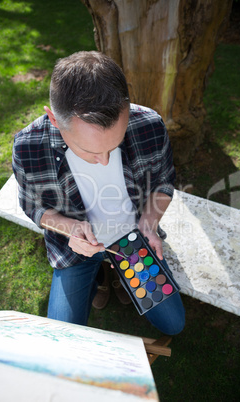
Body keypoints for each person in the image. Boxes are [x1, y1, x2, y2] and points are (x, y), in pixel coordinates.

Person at [12, 51, 185, 335]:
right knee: (65, 338)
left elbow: (163, 183)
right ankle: (103, 273)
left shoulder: (149, 124)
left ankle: (116, 269)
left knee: (174, 325)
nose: (105, 160)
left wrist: (150, 222)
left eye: (114, 145)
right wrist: (70, 228)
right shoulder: (27, 147)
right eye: (91, 151)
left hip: (134, 241)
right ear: (54, 120)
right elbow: (33, 206)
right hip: (75, 250)